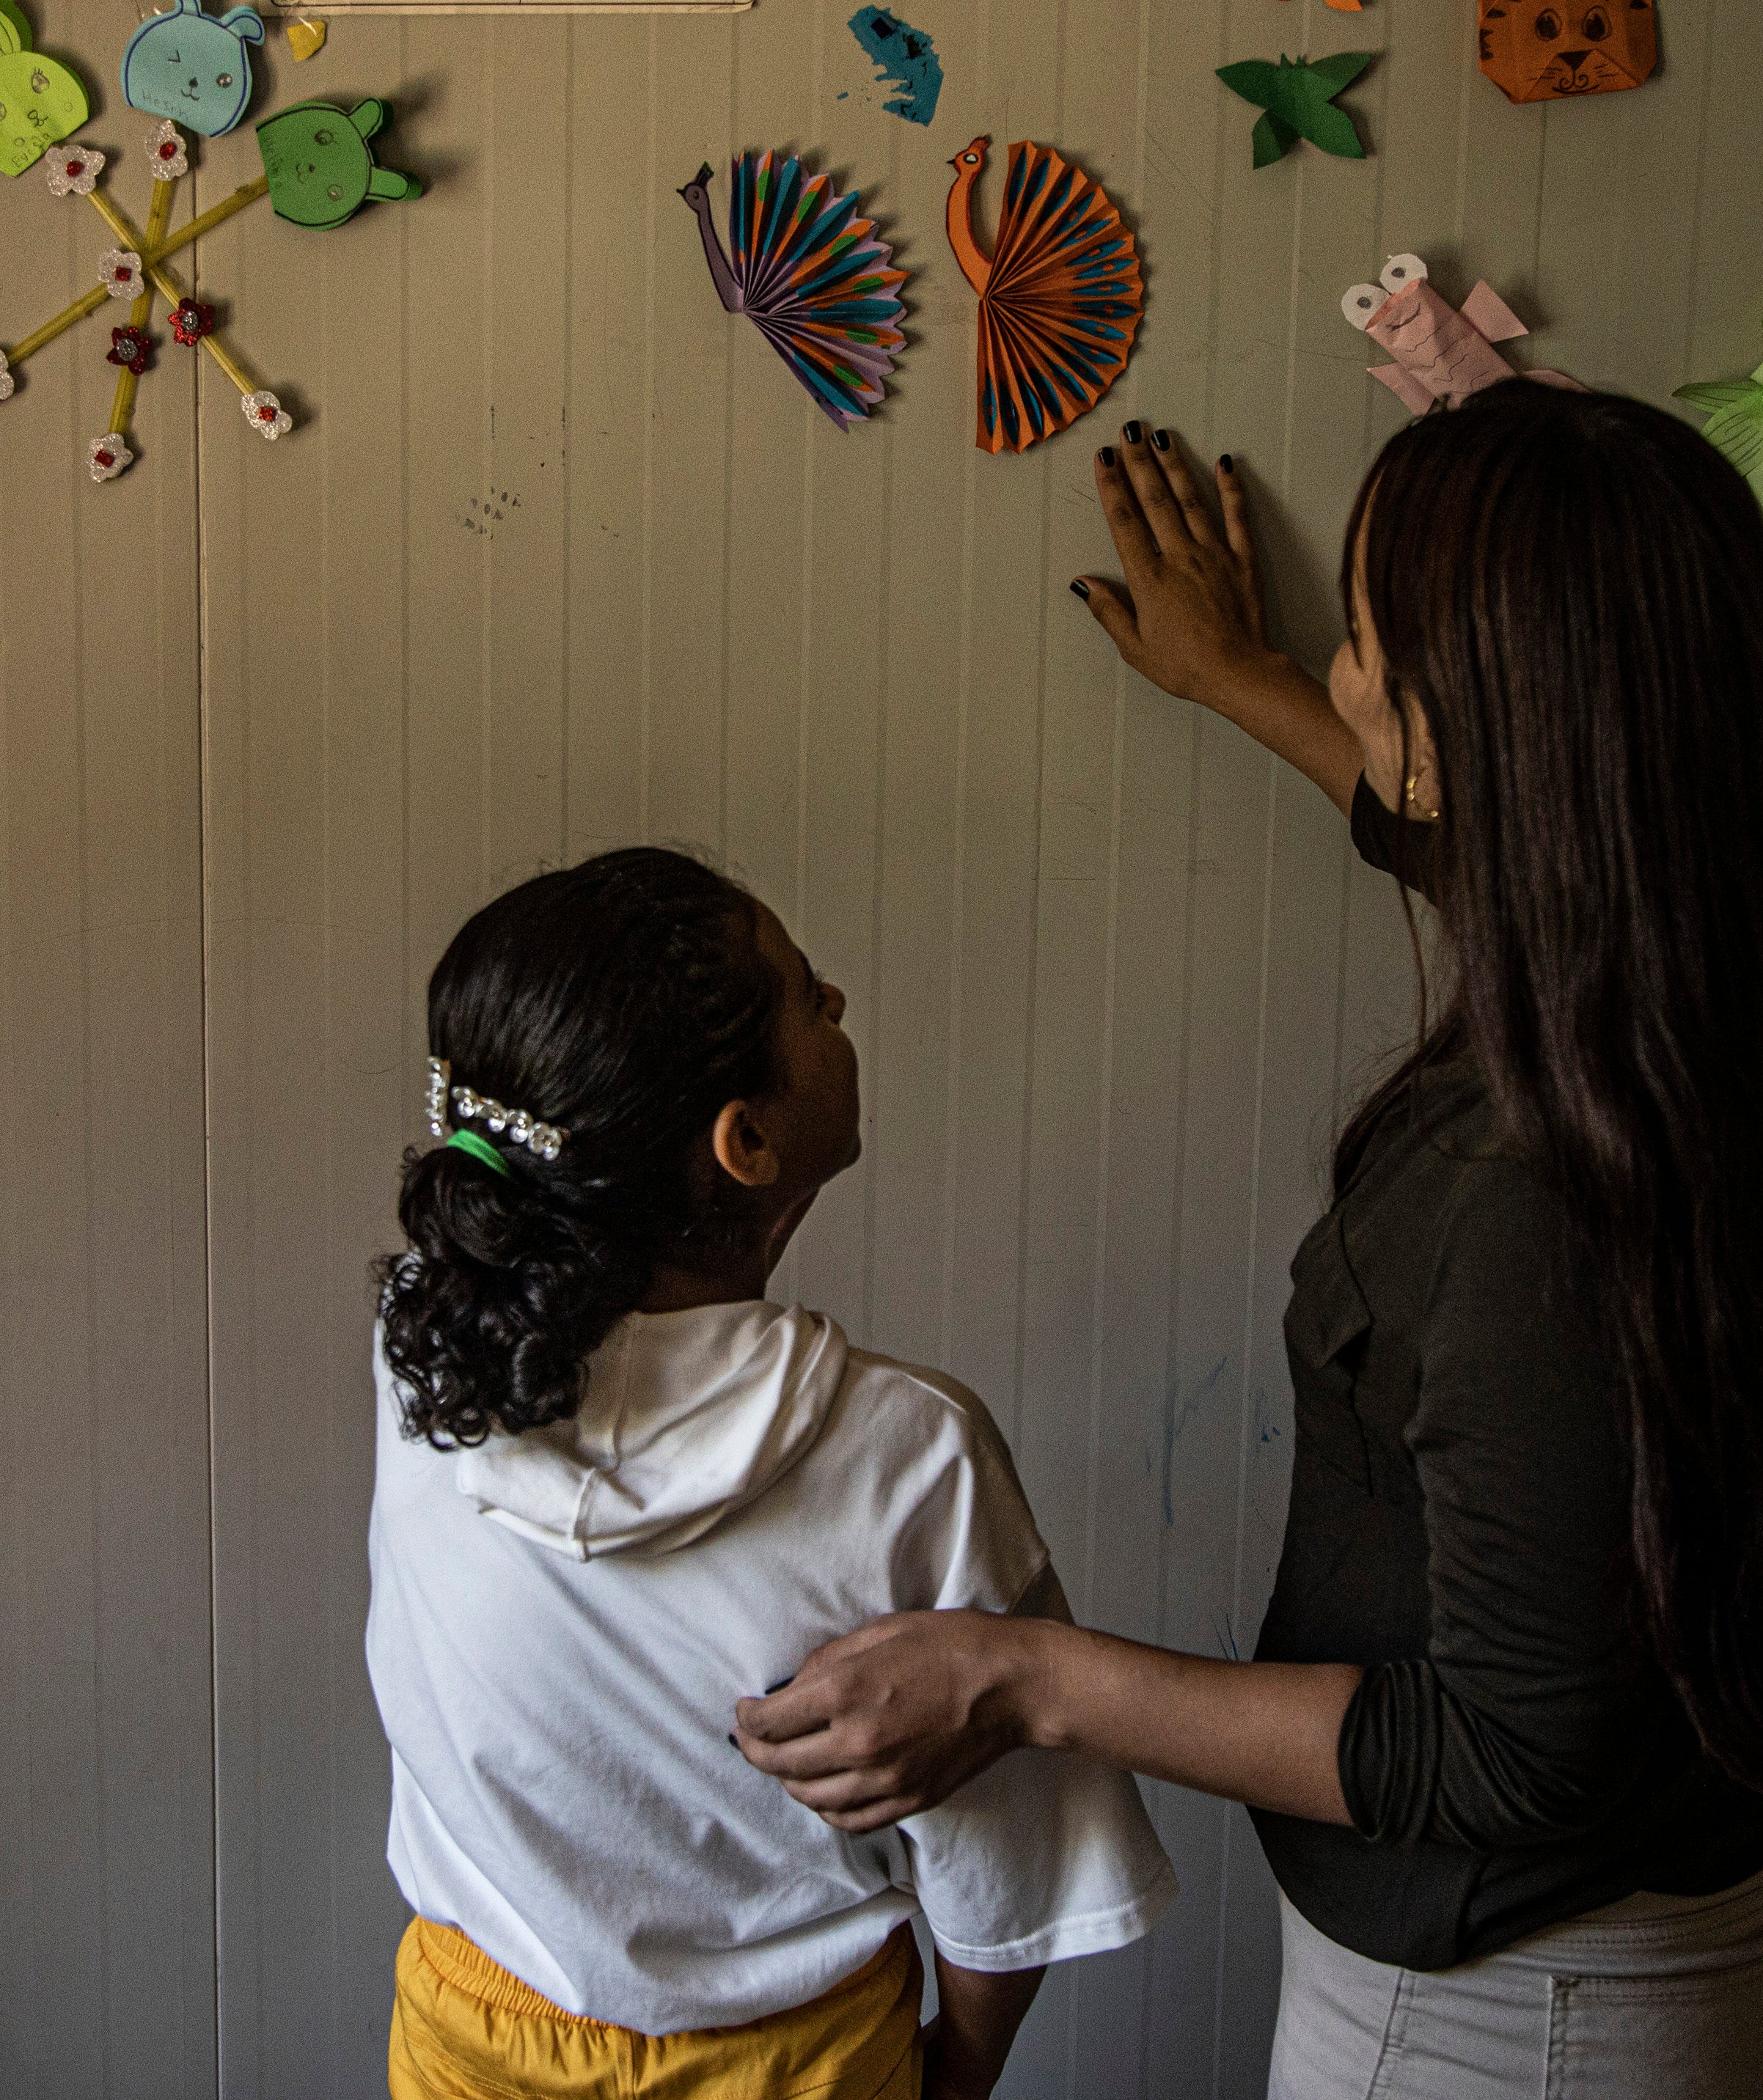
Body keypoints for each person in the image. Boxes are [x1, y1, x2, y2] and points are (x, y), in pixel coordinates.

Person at [733, 392, 1763, 2098]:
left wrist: (1025, 1679)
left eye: (1370, 642)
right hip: (1723, 1929)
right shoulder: (1742, 987)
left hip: (1526, 2014)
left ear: (1487, 734)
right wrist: (1241, 683)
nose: (1348, 668)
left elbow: (1510, 1753)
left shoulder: (1538, 1204)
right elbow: (1511, 857)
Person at [367, 848, 1176, 2100]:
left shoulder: (429, 1344)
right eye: (807, 995)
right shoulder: (907, 1454)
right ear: (745, 1142)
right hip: (793, 2071)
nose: (838, 1003)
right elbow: (1002, 1873)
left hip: (468, 2051)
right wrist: (952, 2078)